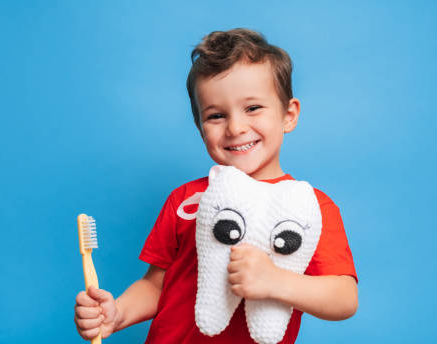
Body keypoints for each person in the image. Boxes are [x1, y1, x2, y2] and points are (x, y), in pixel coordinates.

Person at [74, 28, 358, 343]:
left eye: (253, 108)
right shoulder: (185, 200)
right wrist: (117, 313)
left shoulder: (309, 207)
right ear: (199, 127)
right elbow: (156, 285)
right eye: (216, 116)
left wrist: (275, 281)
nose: (236, 128)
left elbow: (344, 297)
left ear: (288, 115)